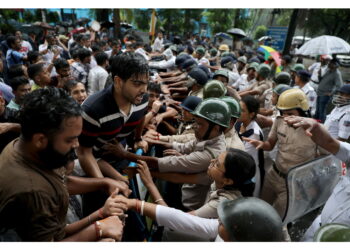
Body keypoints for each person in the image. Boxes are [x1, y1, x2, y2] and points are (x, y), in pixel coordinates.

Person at [0, 88, 125, 241]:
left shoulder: (25, 147)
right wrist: (98, 230)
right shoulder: (33, 191)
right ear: (40, 140)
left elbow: (61, 181)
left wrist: (103, 187)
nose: (76, 144)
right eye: (69, 140)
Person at [104, 98, 229, 210]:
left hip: (192, 206)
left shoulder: (210, 154)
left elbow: (160, 163)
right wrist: (152, 141)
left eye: (200, 124)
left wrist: (124, 154)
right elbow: (181, 146)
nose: (196, 126)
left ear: (216, 128)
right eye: (196, 122)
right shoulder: (208, 137)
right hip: (186, 193)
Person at [243, 88, 321, 218]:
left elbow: (326, 159)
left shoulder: (317, 131)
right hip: (273, 175)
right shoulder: (279, 121)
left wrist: (310, 184)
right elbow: (270, 144)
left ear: (302, 111)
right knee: (259, 209)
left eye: (290, 113)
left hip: (294, 185)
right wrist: (262, 145)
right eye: (283, 113)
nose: (286, 117)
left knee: (278, 219)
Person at [77, 52, 149, 181]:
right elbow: (84, 153)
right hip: (94, 165)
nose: (144, 90)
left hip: (120, 156)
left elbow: (141, 116)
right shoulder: (93, 109)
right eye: (137, 84)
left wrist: (138, 138)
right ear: (118, 81)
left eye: (146, 83)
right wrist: (104, 184)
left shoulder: (142, 99)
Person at [116, 195, 283, 241]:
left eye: (223, 222)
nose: (219, 221)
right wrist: (136, 204)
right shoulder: (225, 233)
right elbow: (186, 221)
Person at [235, 95, 263, 197]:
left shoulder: (254, 133)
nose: (238, 112)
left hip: (249, 174)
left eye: (242, 110)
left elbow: (242, 156)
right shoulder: (240, 124)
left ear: (251, 114)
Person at [315, 58, 343, 123]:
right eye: (329, 62)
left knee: (321, 111)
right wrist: (319, 75)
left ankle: (321, 124)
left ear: (335, 65)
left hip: (325, 95)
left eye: (330, 63)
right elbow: (322, 80)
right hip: (319, 92)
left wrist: (331, 93)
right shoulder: (328, 70)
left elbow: (339, 86)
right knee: (318, 110)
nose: (329, 64)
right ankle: (315, 123)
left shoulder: (337, 74)